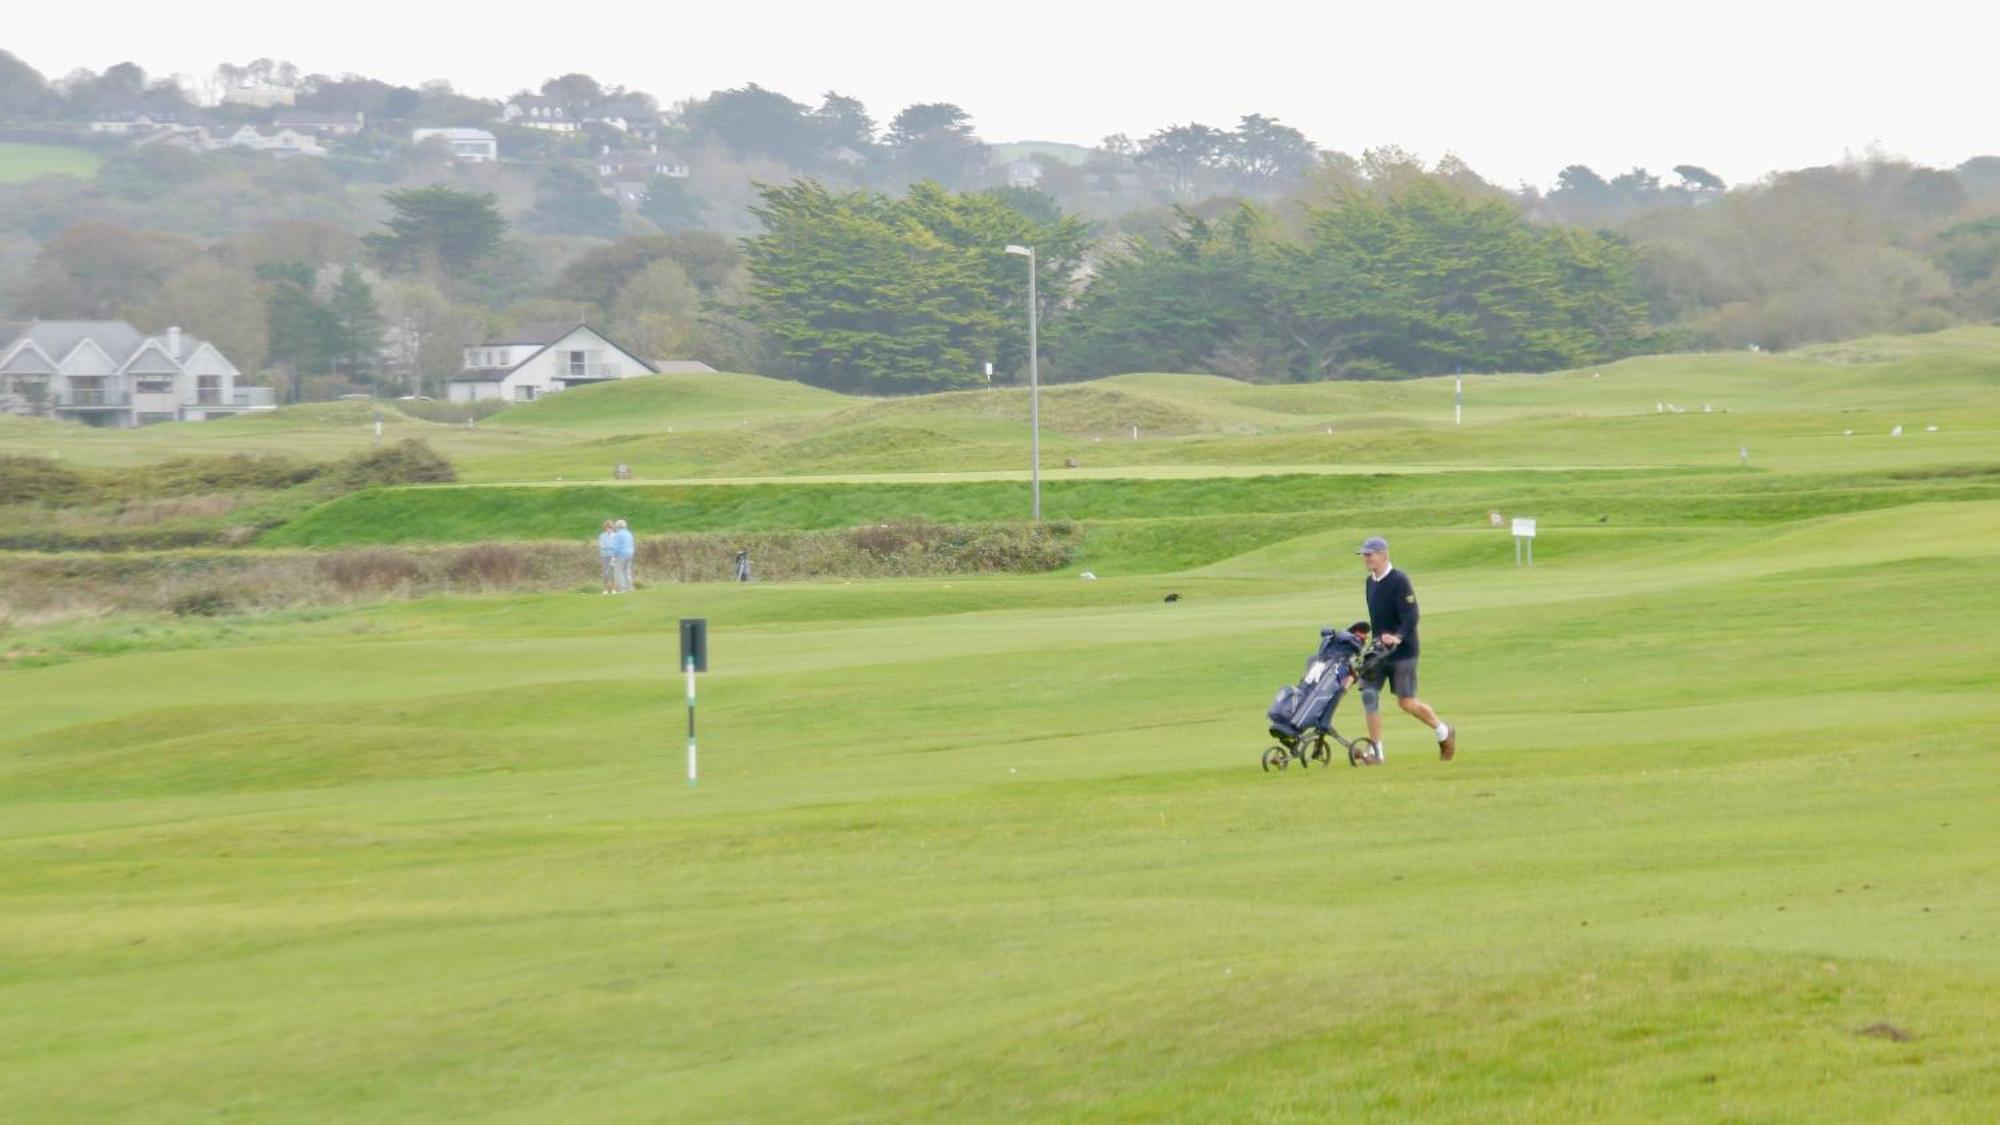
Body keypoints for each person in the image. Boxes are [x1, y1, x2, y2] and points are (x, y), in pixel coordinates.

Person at [1354, 536, 1456, 762]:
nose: (1366, 559)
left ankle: (1443, 731)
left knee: (1406, 702)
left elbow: (1411, 616)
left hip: (1403, 652)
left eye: (1369, 554)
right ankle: (1376, 751)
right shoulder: (1370, 583)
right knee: (1369, 694)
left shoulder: (1400, 580)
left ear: (1383, 554)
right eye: (1365, 555)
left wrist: (1398, 637)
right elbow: (1378, 618)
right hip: (1379, 652)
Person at [613, 518, 636, 593]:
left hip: (621, 554)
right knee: (627, 571)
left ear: (617, 526)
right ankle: (630, 587)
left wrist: (614, 556)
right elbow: (632, 543)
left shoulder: (617, 535)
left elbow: (616, 547)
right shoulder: (629, 533)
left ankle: (623, 589)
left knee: (619, 571)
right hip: (630, 553)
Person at [597, 519, 618, 595]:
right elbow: (602, 546)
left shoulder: (615, 535)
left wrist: (610, 547)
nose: (609, 529)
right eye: (607, 528)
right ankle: (605, 589)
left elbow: (615, 546)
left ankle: (614, 589)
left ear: (612, 528)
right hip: (604, 556)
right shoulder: (601, 536)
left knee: (613, 573)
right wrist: (610, 547)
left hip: (613, 556)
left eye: (610, 528)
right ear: (605, 528)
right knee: (605, 573)